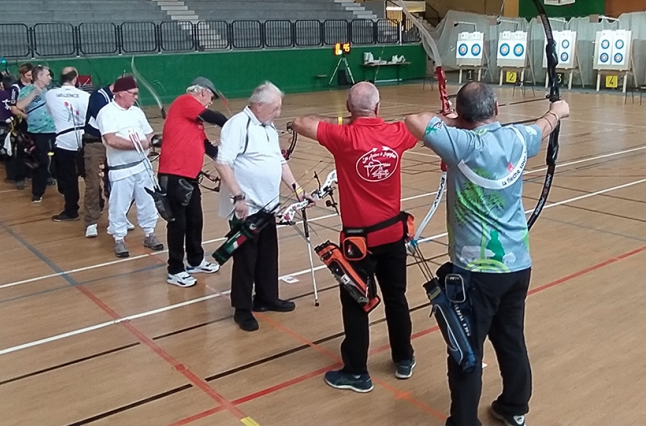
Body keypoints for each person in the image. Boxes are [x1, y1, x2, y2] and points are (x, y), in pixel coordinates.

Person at [404, 82, 570, 426]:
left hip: (475, 273)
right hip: (516, 266)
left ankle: (464, 421)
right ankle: (514, 408)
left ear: (463, 117)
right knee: (511, 338)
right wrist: (558, 110)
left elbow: (415, 119)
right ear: (496, 110)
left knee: (465, 349)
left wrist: (452, 121)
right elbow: (545, 124)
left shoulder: (460, 143)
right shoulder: (518, 139)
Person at [291, 81, 418, 393]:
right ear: (378, 107)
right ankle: (404, 357)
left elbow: (300, 122)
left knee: (356, 301)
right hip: (392, 236)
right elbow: (426, 122)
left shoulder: (343, 136)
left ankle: (357, 372)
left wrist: (347, 122)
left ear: (348, 108)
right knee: (396, 297)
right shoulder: (397, 133)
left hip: (359, 244)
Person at [215, 81, 302, 331]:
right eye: (275, 108)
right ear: (260, 105)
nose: (278, 113)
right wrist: (238, 197)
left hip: (268, 206)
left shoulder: (268, 127)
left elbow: (279, 161)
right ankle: (242, 309)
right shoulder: (237, 126)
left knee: (267, 254)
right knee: (245, 259)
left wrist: (297, 190)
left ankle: (267, 297)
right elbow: (223, 163)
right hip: (246, 207)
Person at [158, 77, 228, 287]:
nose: (211, 102)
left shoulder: (194, 122)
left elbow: (206, 145)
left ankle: (196, 260)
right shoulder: (185, 102)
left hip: (189, 177)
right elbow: (213, 116)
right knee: (178, 224)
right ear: (202, 92)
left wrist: (227, 157)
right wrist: (233, 123)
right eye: (211, 97)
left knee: (195, 220)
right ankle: (175, 270)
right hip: (174, 175)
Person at [96, 76, 163, 258]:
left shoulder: (136, 112)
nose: (135, 97)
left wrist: (157, 141)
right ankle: (119, 239)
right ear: (120, 93)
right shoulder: (107, 112)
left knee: (148, 202)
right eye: (133, 94)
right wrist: (139, 145)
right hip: (121, 169)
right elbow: (111, 139)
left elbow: (149, 135)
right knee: (119, 205)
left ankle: (149, 234)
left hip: (143, 166)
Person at [45, 67, 90, 222]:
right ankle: (97, 203)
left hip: (63, 141)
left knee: (69, 178)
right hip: (82, 138)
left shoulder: (50, 94)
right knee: (88, 174)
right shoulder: (85, 95)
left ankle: (71, 210)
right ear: (75, 79)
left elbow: (51, 114)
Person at [14, 65, 56, 203]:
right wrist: (34, 93)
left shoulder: (52, 91)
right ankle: (38, 192)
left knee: (60, 160)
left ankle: (63, 187)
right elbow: (20, 106)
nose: (50, 77)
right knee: (40, 161)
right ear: (39, 76)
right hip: (37, 131)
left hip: (55, 129)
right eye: (47, 75)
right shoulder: (27, 90)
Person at [82, 82, 113, 238]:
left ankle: (117, 217)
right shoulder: (99, 97)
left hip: (113, 144)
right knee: (93, 182)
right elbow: (104, 120)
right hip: (95, 143)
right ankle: (91, 221)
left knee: (115, 181)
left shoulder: (123, 102)